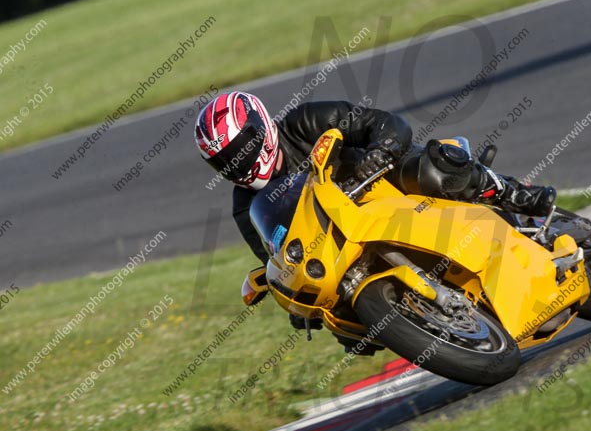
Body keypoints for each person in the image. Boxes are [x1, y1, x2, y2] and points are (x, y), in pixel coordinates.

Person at [194, 91, 555, 331]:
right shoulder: (245, 208)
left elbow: (382, 122)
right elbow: (277, 256)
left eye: (242, 146)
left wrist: (380, 151)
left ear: (261, 127)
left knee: (431, 169)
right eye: (223, 160)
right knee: (344, 323)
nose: (236, 162)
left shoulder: (303, 122)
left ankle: (515, 194)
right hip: (344, 239)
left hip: (383, 183)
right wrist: (293, 298)